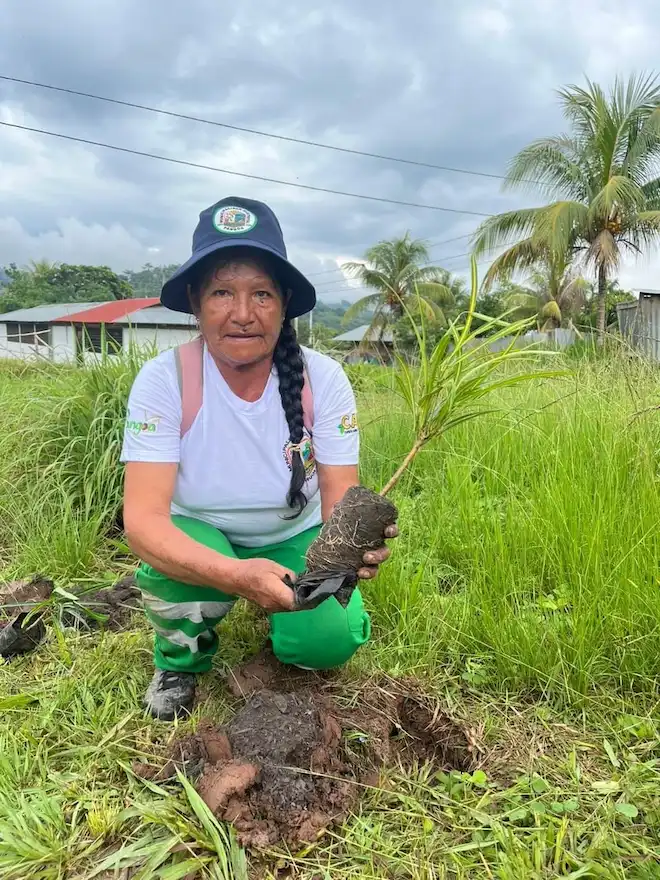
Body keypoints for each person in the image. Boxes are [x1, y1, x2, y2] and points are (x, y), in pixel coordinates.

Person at [120, 196, 397, 720]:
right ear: (197, 302)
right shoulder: (165, 380)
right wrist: (233, 574)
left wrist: (352, 552)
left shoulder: (324, 379)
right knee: (177, 576)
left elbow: (338, 503)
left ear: (285, 302)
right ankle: (179, 659)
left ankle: (287, 626)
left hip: (297, 535)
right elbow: (143, 522)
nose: (242, 314)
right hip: (200, 528)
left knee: (327, 642)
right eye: (222, 292)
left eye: (261, 294)